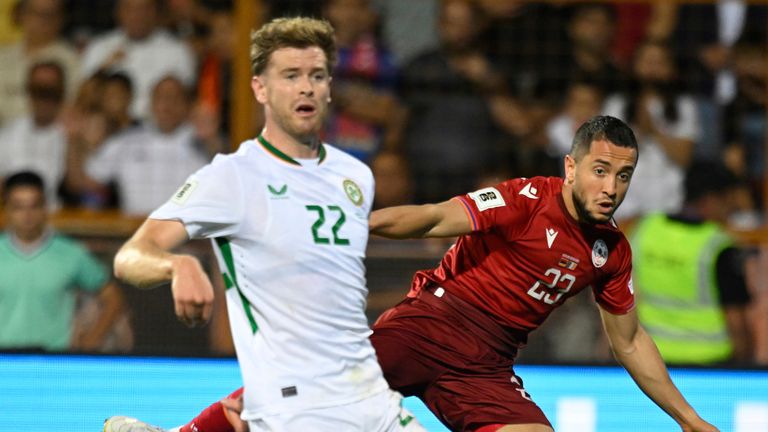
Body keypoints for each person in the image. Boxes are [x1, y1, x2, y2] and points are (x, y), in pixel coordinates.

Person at [108, 116, 719, 432]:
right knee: (309, 393)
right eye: (600, 171)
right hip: (429, 324)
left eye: (623, 176)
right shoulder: (526, 198)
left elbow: (629, 341)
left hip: (486, 366)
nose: (610, 187)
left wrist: (690, 420)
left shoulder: (612, 252)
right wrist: (354, 223)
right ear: (571, 166)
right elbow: (431, 217)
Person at [104, 16, 423, 432]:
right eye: (290, 76)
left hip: (373, 398)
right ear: (260, 89)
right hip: (296, 408)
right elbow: (131, 256)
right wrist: (177, 264)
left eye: (317, 75)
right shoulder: (232, 177)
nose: (306, 87)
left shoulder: (355, 176)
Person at [631, 160, 752, 365]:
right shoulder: (719, 247)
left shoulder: (645, 229)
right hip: (709, 365)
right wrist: (743, 367)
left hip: (648, 360)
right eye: (729, 201)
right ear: (710, 200)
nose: (732, 210)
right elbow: (736, 322)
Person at [0, 171, 125, 351]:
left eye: (34, 205)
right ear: (6, 209)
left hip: (55, 359)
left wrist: (92, 339)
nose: (27, 215)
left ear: (45, 207)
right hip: (4, 359)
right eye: (18, 207)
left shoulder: (70, 253)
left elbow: (113, 297)